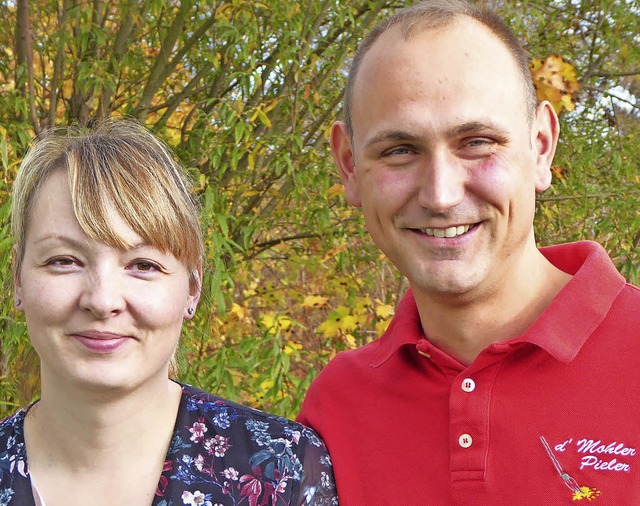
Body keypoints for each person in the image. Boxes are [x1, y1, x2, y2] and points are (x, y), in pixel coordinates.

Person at [297, 0, 640, 503]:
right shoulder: (336, 407)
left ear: (541, 146)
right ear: (349, 166)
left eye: (477, 142)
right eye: (399, 150)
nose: (440, 194)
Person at [0, 120, 337, 506]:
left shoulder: (284, 473)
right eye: (64, 260)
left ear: (192, 288)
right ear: (18, 281)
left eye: (143, 265)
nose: (103, 299)